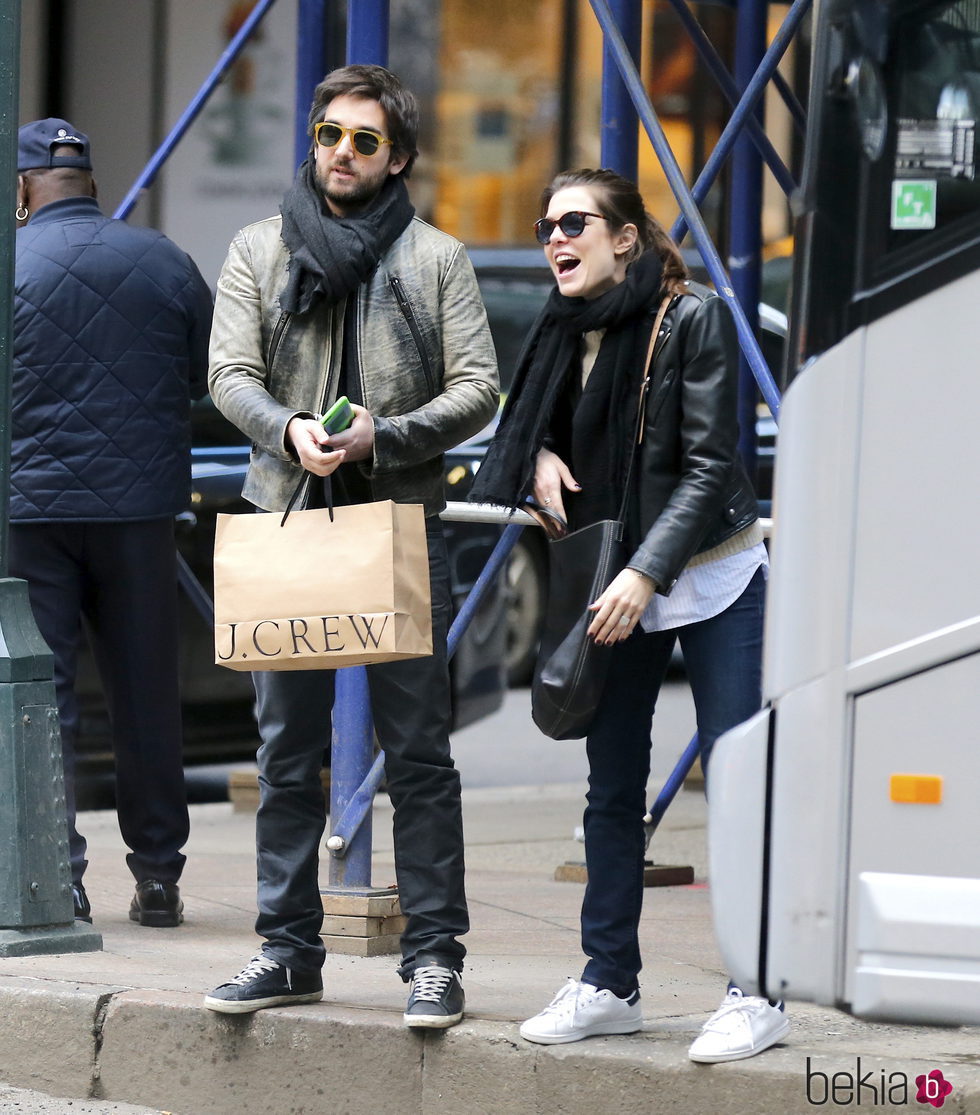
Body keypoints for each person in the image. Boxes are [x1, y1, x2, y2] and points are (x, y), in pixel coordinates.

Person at [470, 168, 789, 1062]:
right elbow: (533, 423)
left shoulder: (693, 318)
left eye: (574, 223)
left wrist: (648, 574)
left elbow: (711, 465)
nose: (554, 239)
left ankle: (758, 987)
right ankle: (609, 980)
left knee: (738, 779)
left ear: (625, 237)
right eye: (545, 226)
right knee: (610, 786)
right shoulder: (561, 326)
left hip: (712, 572)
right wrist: (536, 454)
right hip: (617, 579)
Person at [204, 65, 498, 1027]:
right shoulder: (259, 247)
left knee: (418, 754)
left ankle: (435, 958)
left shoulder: (435, 258)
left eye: (365, 140)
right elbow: (228, 372)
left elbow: (478, 388)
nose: (342, 152)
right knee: (286, 754)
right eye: (330, 133)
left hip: (397, 522)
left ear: (397, 157)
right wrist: (289, 428)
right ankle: (288, 950)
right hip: (287, 516)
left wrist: (388, 434)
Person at [12, 118, 213, 928]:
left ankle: (59, 877)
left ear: (23, 189)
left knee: (43, 694)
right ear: (92, 184)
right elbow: (205, 373)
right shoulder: (163, 259)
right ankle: (158, 875)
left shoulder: (9, 262)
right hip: (138, 510)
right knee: (144, 694)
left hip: (31, 514)